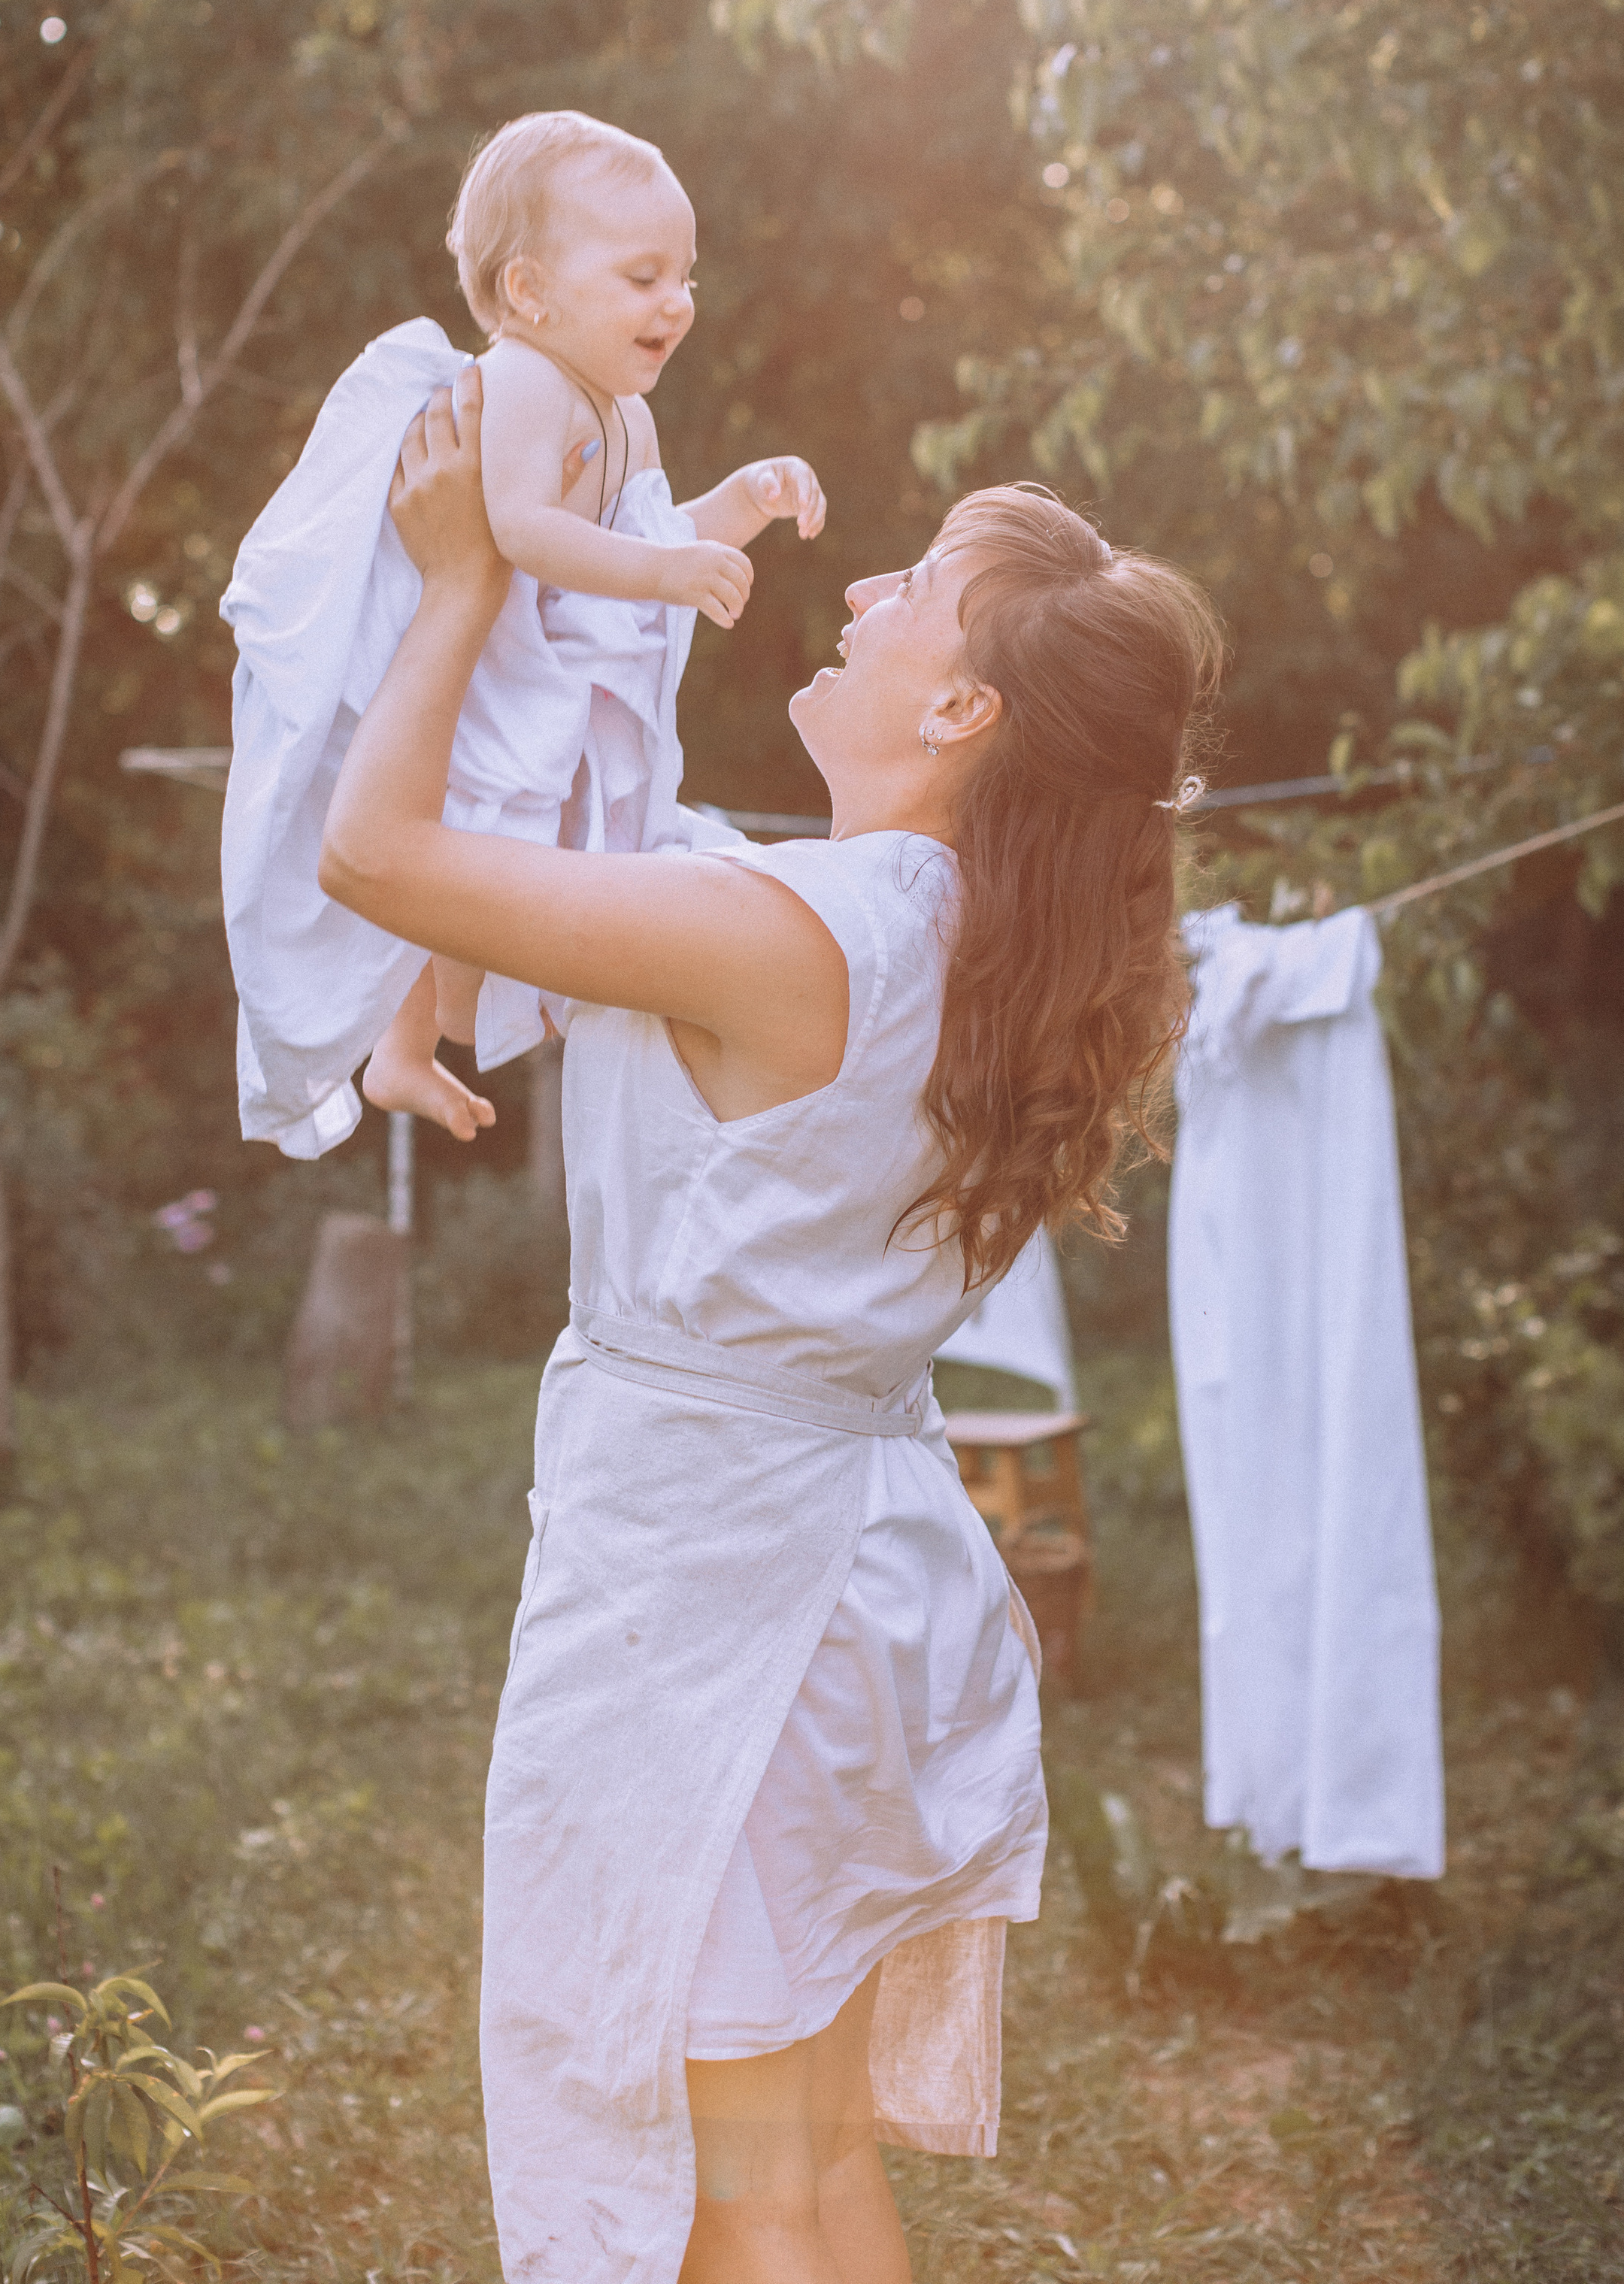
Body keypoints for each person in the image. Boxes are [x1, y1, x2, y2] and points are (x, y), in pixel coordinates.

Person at [319, 370, 1222, 2283]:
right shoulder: (966, 936)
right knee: (803, 2163)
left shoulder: (781, 931)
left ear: (960, 709)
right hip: (852, 1568)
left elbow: (374, 860)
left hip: (723, 1591)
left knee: (729, 2188)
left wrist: (461, 580)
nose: (867, 586)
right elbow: (539, 874)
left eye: (913, 588)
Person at [219, 110, 823, 1161]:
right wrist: (669, 570)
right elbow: (525, 531)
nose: (675, 302)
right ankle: (401, 1051)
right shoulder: (524, 380)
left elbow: (639, 535)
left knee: (488, 865)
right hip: (487, 671)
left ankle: (407, 1054)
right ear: (530, 293)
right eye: (642, 277)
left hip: (544, 666)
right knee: (452, 854)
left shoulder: (625, 409)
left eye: (686, 275)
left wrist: (743, 500)